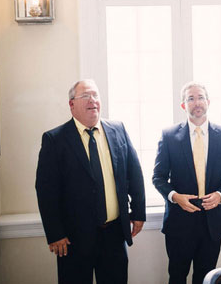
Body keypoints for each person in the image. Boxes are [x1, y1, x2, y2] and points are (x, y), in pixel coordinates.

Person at [35, 79, 146, 284]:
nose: (92, 100)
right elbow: (46, 191)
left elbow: (134, 172)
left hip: (113, 234)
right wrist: (55, 233)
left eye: (96, 95)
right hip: (73, 239)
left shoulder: (118, 129)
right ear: (71, 105)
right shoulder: (55, 140)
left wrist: (138, 212)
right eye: (85, 96)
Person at [153, 82, 221, 284]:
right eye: (191, 99)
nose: (197, 103)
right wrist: (175, 197)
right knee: (177, 276)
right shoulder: (169, 136)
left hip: (213, 223)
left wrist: (220, 197)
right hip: (179, 222)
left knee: (206, 277)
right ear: (184, 105)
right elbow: (158, 177)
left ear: (208, 102)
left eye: (201, 97)